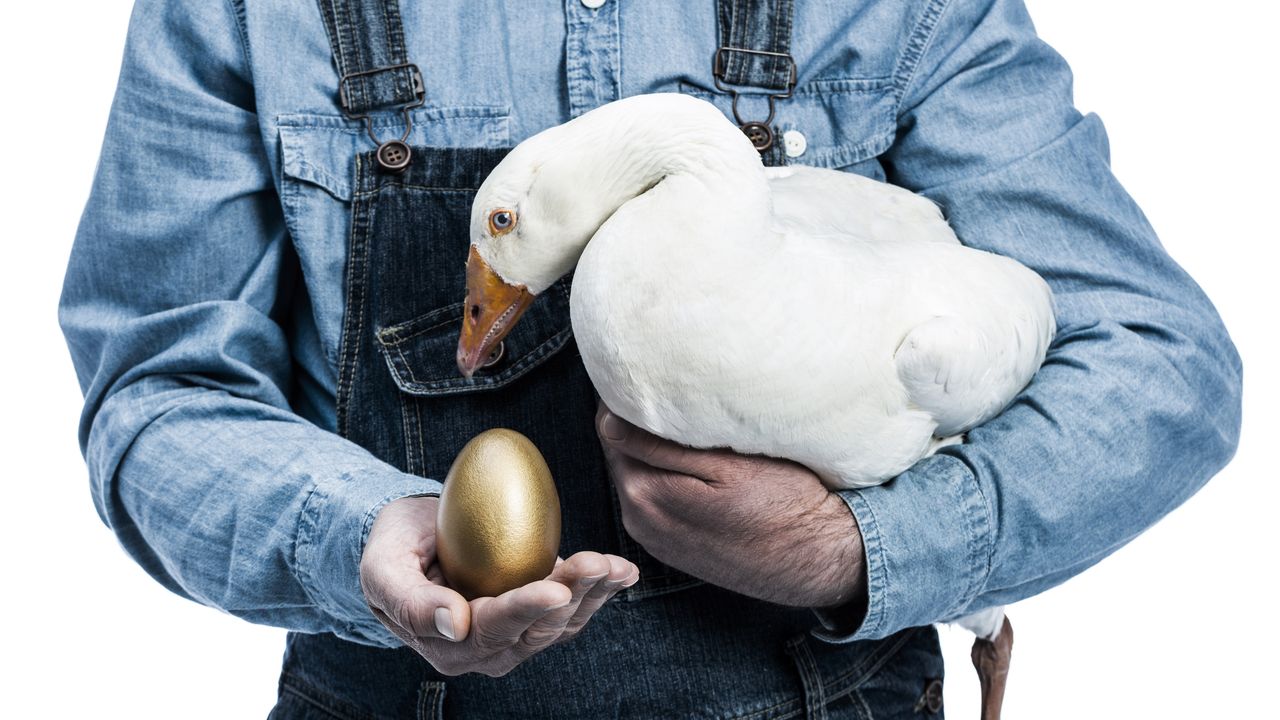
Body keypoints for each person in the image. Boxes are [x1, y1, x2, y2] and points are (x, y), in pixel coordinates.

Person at [59, 0, 1241, 717]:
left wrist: (855, 547)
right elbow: (160, 389)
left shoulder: (896, 14)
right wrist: (353, 536)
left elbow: (1160, 366)